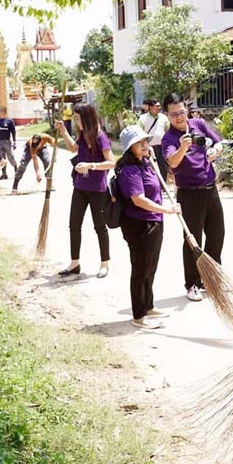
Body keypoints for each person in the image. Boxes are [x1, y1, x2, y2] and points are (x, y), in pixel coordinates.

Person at [116, 125, 182, 330]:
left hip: (155, 220)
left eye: (145, 141)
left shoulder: (145, 162)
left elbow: (159, 182)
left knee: (151, 266)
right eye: (139, 143)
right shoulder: (129, 170)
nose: (144, 145)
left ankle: (149, 305)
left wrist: (151, 157)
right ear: (129, 148)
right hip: (139, 224)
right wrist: (167, 210)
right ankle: (139, 315)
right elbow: (139, 200)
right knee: (140, 269)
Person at [161, 92, 224, 302]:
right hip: (188, 193)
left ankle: (212, 278)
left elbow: (218, 142)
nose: (179, 117)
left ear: (186, 109)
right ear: (167, 115)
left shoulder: (198, 124)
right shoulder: (169, 138)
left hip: (210, 188)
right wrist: (183, 147)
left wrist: (215, 151)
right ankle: (193, 283)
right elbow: (172, 162)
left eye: (181, 112)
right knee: (192, 239)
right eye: (173, 114)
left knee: (217, 234)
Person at [55, 103, 114, 278]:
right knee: (74, 225)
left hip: (97, 190)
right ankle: (75, 263)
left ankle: (104, 264)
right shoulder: (82, 134)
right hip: (80, 187)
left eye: (78, 119)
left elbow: (112, 163)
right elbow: (73, 148)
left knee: (100, 227)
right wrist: (63, 131)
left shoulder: (101, 137)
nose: (76, 122)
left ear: (87, 118)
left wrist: (90, 165)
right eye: (75, 118)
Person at [138, 98, 170, 183]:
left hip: (162, 147)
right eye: (157, 106)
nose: (159, 108)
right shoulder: (143, 118)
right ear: (150, 107)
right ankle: (152, 185)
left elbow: (168, 131)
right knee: (150, 167)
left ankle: (162, 186)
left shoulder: (164, 118)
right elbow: (139, 133)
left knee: (163, 167)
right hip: (149, 148)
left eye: (160, 106)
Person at [0, 107, 17, 180]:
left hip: (7, 142)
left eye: (2, 112)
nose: (0, 113)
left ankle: (17, 172)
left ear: (5, 112)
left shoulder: (9, 121)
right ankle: (4, 174)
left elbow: (13, 132)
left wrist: (14, 142)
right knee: (1, 158)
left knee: (11, 157)